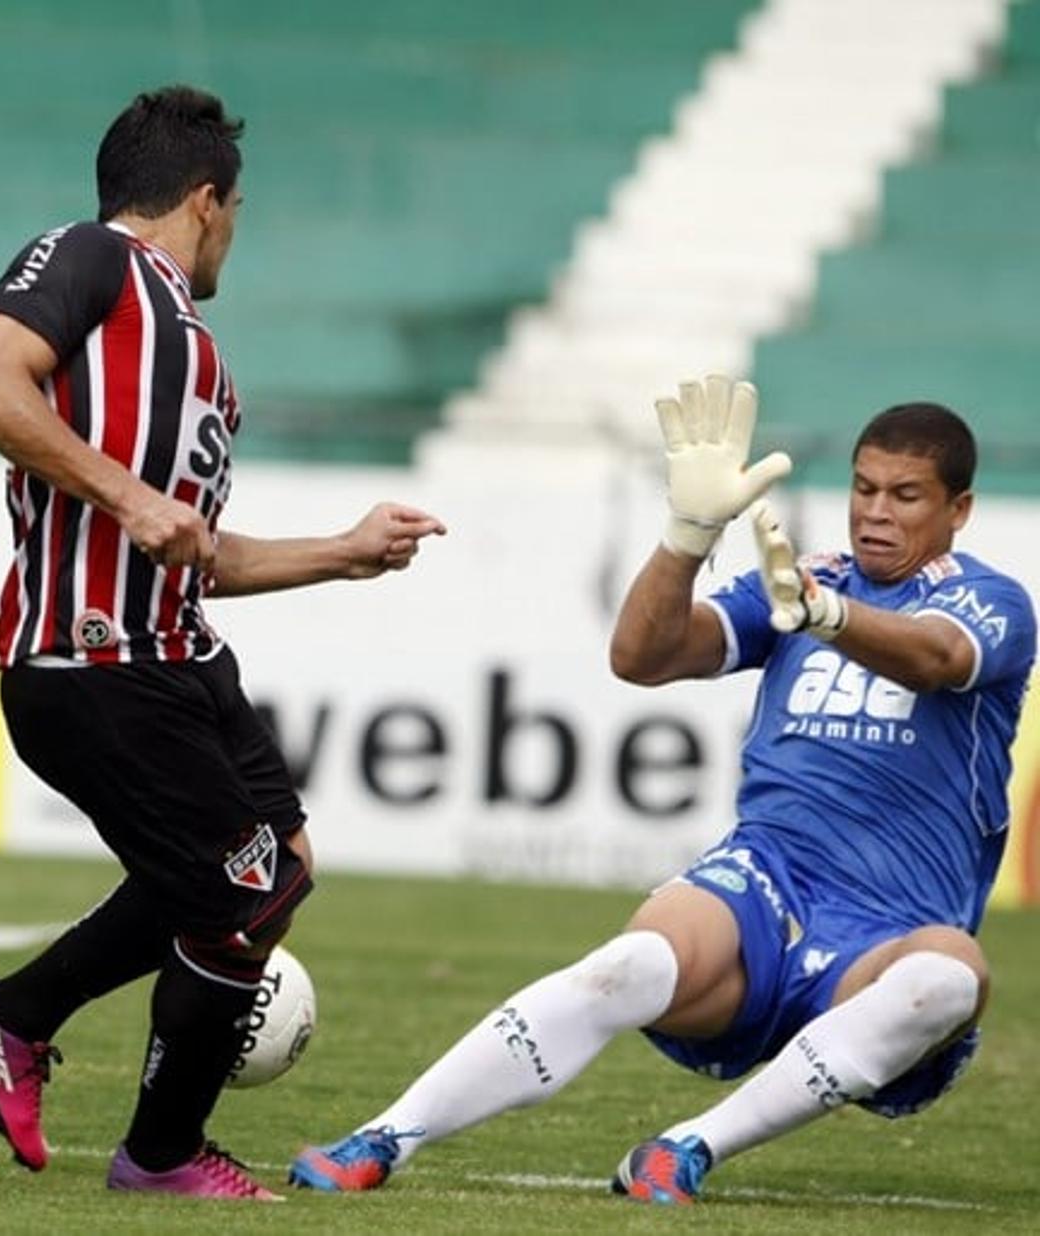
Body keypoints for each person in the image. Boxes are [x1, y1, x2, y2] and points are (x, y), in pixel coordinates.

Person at [290, 379, 1034, 1204]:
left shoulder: (989, 602)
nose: (876, 513)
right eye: (864, 489)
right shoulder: (801, 579)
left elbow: (935, 658)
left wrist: (825, 617)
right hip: (769, 884)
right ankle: (387, 1136)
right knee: (630, 964)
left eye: (905, 496)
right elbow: (643, 656)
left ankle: (685, 1148)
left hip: (889, 931)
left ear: (958, 509)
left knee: (952, 978)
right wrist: (688, 534)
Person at [0, 85, 447, 1201]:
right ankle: (160, 1155)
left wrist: (342, 551)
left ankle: (15, 1014)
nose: (236, 230)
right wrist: (125, 497)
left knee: (281, 868)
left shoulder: (195, 354)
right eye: (239, 208)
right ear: (207, 200)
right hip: (91, 663)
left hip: (178, 653)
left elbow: (192, 548)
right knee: (240, 900)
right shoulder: (91, 259)